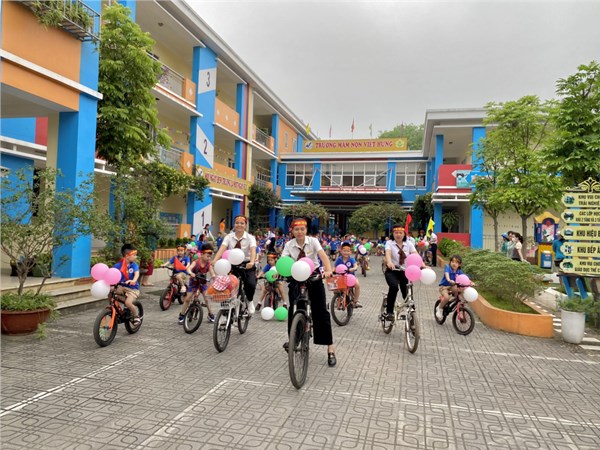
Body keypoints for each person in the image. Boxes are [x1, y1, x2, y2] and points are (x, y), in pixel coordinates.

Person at [282, 217, 336, 367]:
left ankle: (330, 348)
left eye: (302, 229)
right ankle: (294, 339)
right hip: (296, 275)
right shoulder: (288, 245)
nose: (299, 232)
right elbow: (283, 261)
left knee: (320, 311)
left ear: (306, 230)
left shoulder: (313, 241)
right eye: (296, 229)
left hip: (314, 275)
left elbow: (323, 256)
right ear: (292, 231)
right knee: (294, 309)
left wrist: (328, 270)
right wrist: (277, 272)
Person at [213, 215, 257, 314]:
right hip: (232, 264)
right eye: (237, 223)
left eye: (242, 223)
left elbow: (253, 250)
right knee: (225, 283)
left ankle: (250, 301)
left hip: (247, 264)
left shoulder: (250, 238)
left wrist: (252, 262)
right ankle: (225, 311)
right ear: (234, 224)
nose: (239, 225)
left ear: (245, 225)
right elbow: (222, 248)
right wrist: (215, 260)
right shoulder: (229, 237)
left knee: (250, 284)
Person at [383, 225, 420, 321]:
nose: (398, 235)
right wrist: (389, 262)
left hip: (404, 271)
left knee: (406, 292)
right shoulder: (389, 243)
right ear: (393, 234)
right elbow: (388, 253)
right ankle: (389, 312)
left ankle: (412, 313)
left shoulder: (408, 244)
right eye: (396, 233)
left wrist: (423, 265)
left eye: (400, 233)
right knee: (394, 287)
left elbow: (416, 255)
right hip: (392, 270)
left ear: (404, 234)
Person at [180, 243, 215, 324]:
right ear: (202, 254)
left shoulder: (208, 264)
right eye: (208, 256)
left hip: (203, 282)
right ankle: (182, 315)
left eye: (210, 256)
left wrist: (213, 277)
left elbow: (212, 272)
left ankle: (210, 314)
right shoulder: (196, 262)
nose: (209, 258)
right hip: (194, 282)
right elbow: (189, 269)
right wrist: (190, 273)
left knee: (207, 298)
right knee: (188, 299)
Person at [113, 244, 142, 325]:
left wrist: (133, 280)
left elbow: (136, 274)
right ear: (127, 256)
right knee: (111, 292)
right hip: (122, 286)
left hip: (132, 289)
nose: (136, 257)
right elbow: (112, 274)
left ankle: (136, 316)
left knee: (128, 303)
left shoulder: (134, 265)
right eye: (134, 255)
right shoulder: (117, 265)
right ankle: (112, 308)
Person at [435, 255, 466, 320]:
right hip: (444, 287)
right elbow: (447, 274)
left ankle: (452, 301)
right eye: (452, 261)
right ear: (450, 262)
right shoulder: (448, 268)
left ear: (459, 264)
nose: (454, 263)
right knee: (446, 297)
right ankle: (439, 308)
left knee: (459, 290)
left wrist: (471, 282)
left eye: (456, 262)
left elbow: (464, 278)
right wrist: (449, 280)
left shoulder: (459, 271)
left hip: (452, 286)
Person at [334, 242, 362, 307]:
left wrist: (354, 268)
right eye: (344, 251)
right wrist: (333, 271)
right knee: (335, 287)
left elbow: (355, 265)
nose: (346, 252)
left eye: (348, 251)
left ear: (350, 252)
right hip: (341, 277)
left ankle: (355, 301)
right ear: (341, 251)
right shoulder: (339, 259)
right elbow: (335, 267)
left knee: (357, 285)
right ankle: (337, 298)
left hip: (351, 277)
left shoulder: (351, 259)